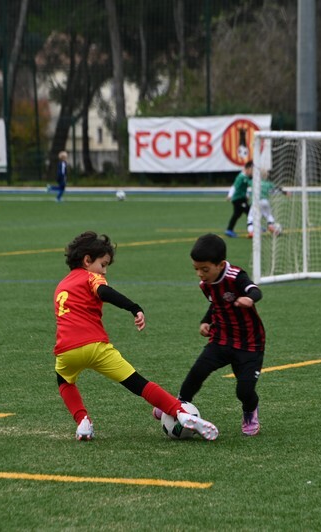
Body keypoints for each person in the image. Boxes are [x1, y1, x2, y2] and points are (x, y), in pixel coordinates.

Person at [53, 231, 218, 441]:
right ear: (87, 260)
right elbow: (104, 292)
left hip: (66, 351)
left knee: (64, 381)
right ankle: (180, 412)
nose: (104, 271)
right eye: (103, 264)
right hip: (95, 346)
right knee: (137, 383)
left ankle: (83, 422)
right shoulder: (91, 277)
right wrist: (134, 307)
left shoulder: (61, 286)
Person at [154, 233, 265, 436]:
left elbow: (255, 290)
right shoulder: (206, 284)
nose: (200, 274)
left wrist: (250, 299)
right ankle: (176, 404)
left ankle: (250, 411)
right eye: (196, 269)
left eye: (204, 269)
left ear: (220, 265)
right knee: (197, 372)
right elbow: (215, 304)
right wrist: (206, 321)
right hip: (221, 339)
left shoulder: (235, 276)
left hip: (249, 344)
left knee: (244, 390)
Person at [246, 168, 281, 238]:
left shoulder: (254, 182)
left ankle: (251, 231)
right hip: (265, 201)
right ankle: (271, 226)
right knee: (269, 215)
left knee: (251, 217)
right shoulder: (268, 183)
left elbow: (247, 181)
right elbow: (276, 188)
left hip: (256, 202)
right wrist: (285, 192)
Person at [225, 160, 253, 238]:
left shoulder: (245, 177)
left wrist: (247, 195)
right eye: (251, 170)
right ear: (247, 169)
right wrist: (230, 195)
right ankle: (254, 228)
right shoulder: (241, 177)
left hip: (242, 199)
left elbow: (244, 188)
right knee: (249, 211)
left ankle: (229, 230)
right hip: (238, 199)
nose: (252, 172)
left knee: (237, 214)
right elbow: (234, 186)